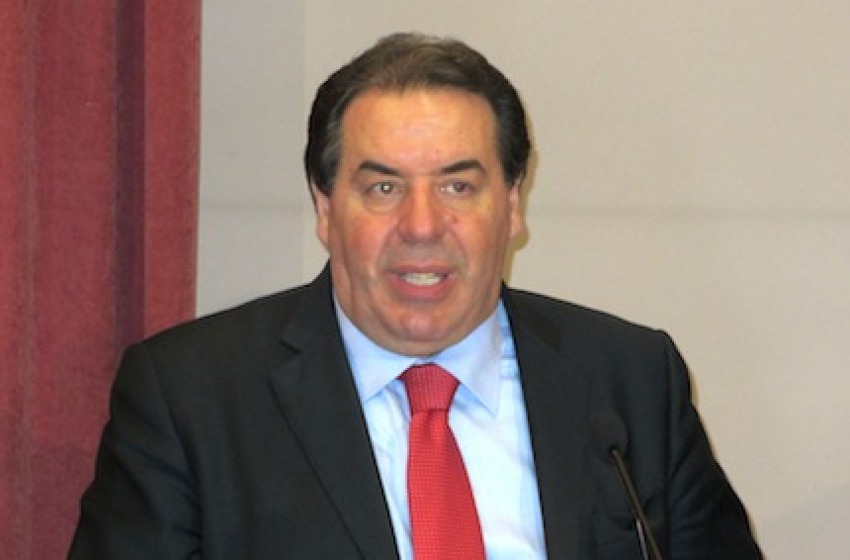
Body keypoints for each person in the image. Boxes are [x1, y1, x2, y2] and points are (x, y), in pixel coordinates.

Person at [69, 33, 762, 559]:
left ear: (512, 205)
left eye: (459, 186)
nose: (423, 226)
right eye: (383, 188)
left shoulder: (630, 379)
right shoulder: (190, 397)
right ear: (325, 207)